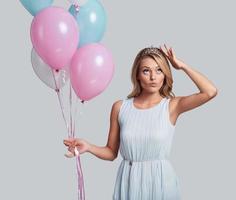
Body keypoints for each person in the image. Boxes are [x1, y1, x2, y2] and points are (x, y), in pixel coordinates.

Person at [63, 44, 218, 200]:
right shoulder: (120, 107)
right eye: (146, 71)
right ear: (137, 75)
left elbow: (210, 91)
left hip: (161, 182)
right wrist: (88, 147)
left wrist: (181, 66)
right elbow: (111, 152)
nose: (153, 77)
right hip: (129, 181)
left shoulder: (172, 106)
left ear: (165, 74)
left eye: (159, 70)